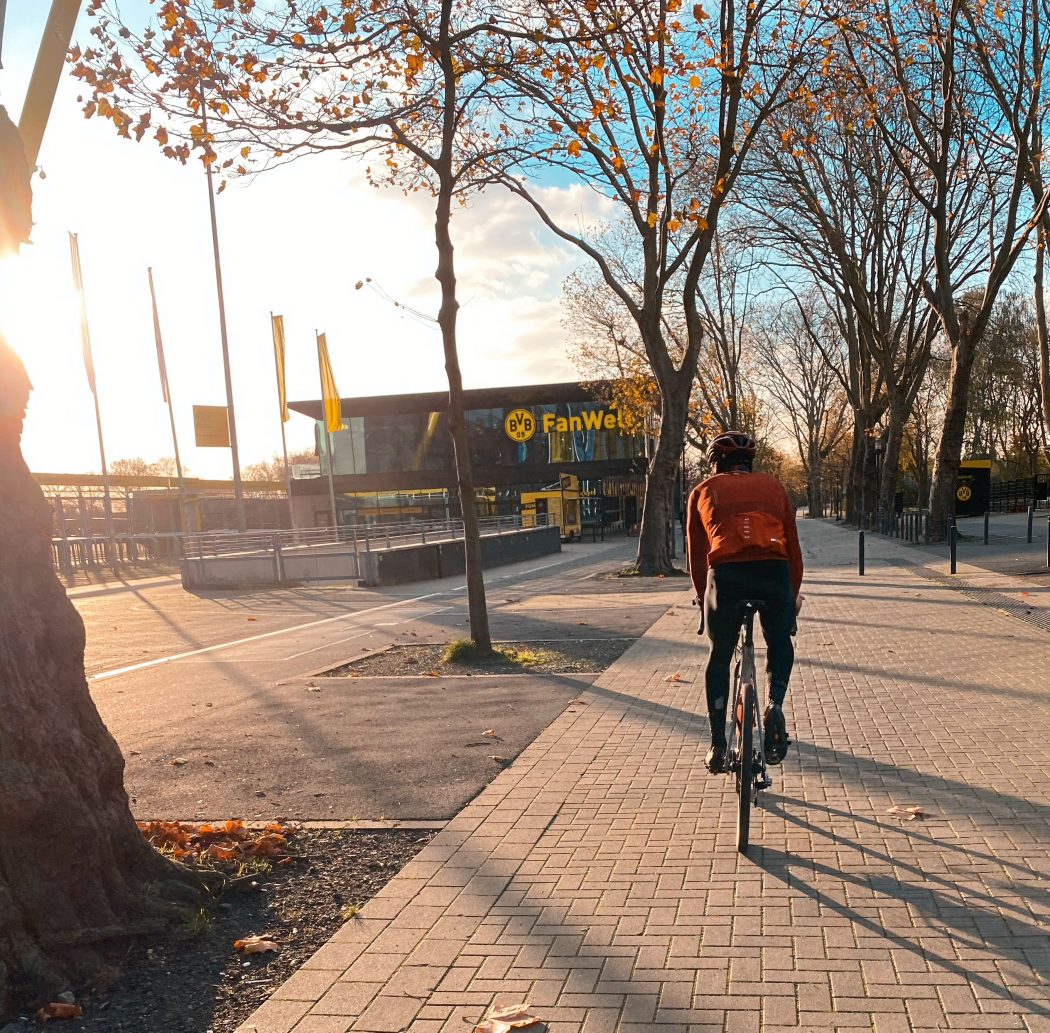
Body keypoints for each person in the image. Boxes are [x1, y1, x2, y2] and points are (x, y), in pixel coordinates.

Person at [686, 431, 804, 774]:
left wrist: (702, 595)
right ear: (750, 463)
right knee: (780, 641)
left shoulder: (702, 491)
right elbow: (793, 550)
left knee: (720, 654)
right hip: (775, 573)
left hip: (727, 577)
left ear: (715, 464)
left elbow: (697, 556)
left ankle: (718, 744)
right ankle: (774, 704)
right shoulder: (775, 487)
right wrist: (791, 595)